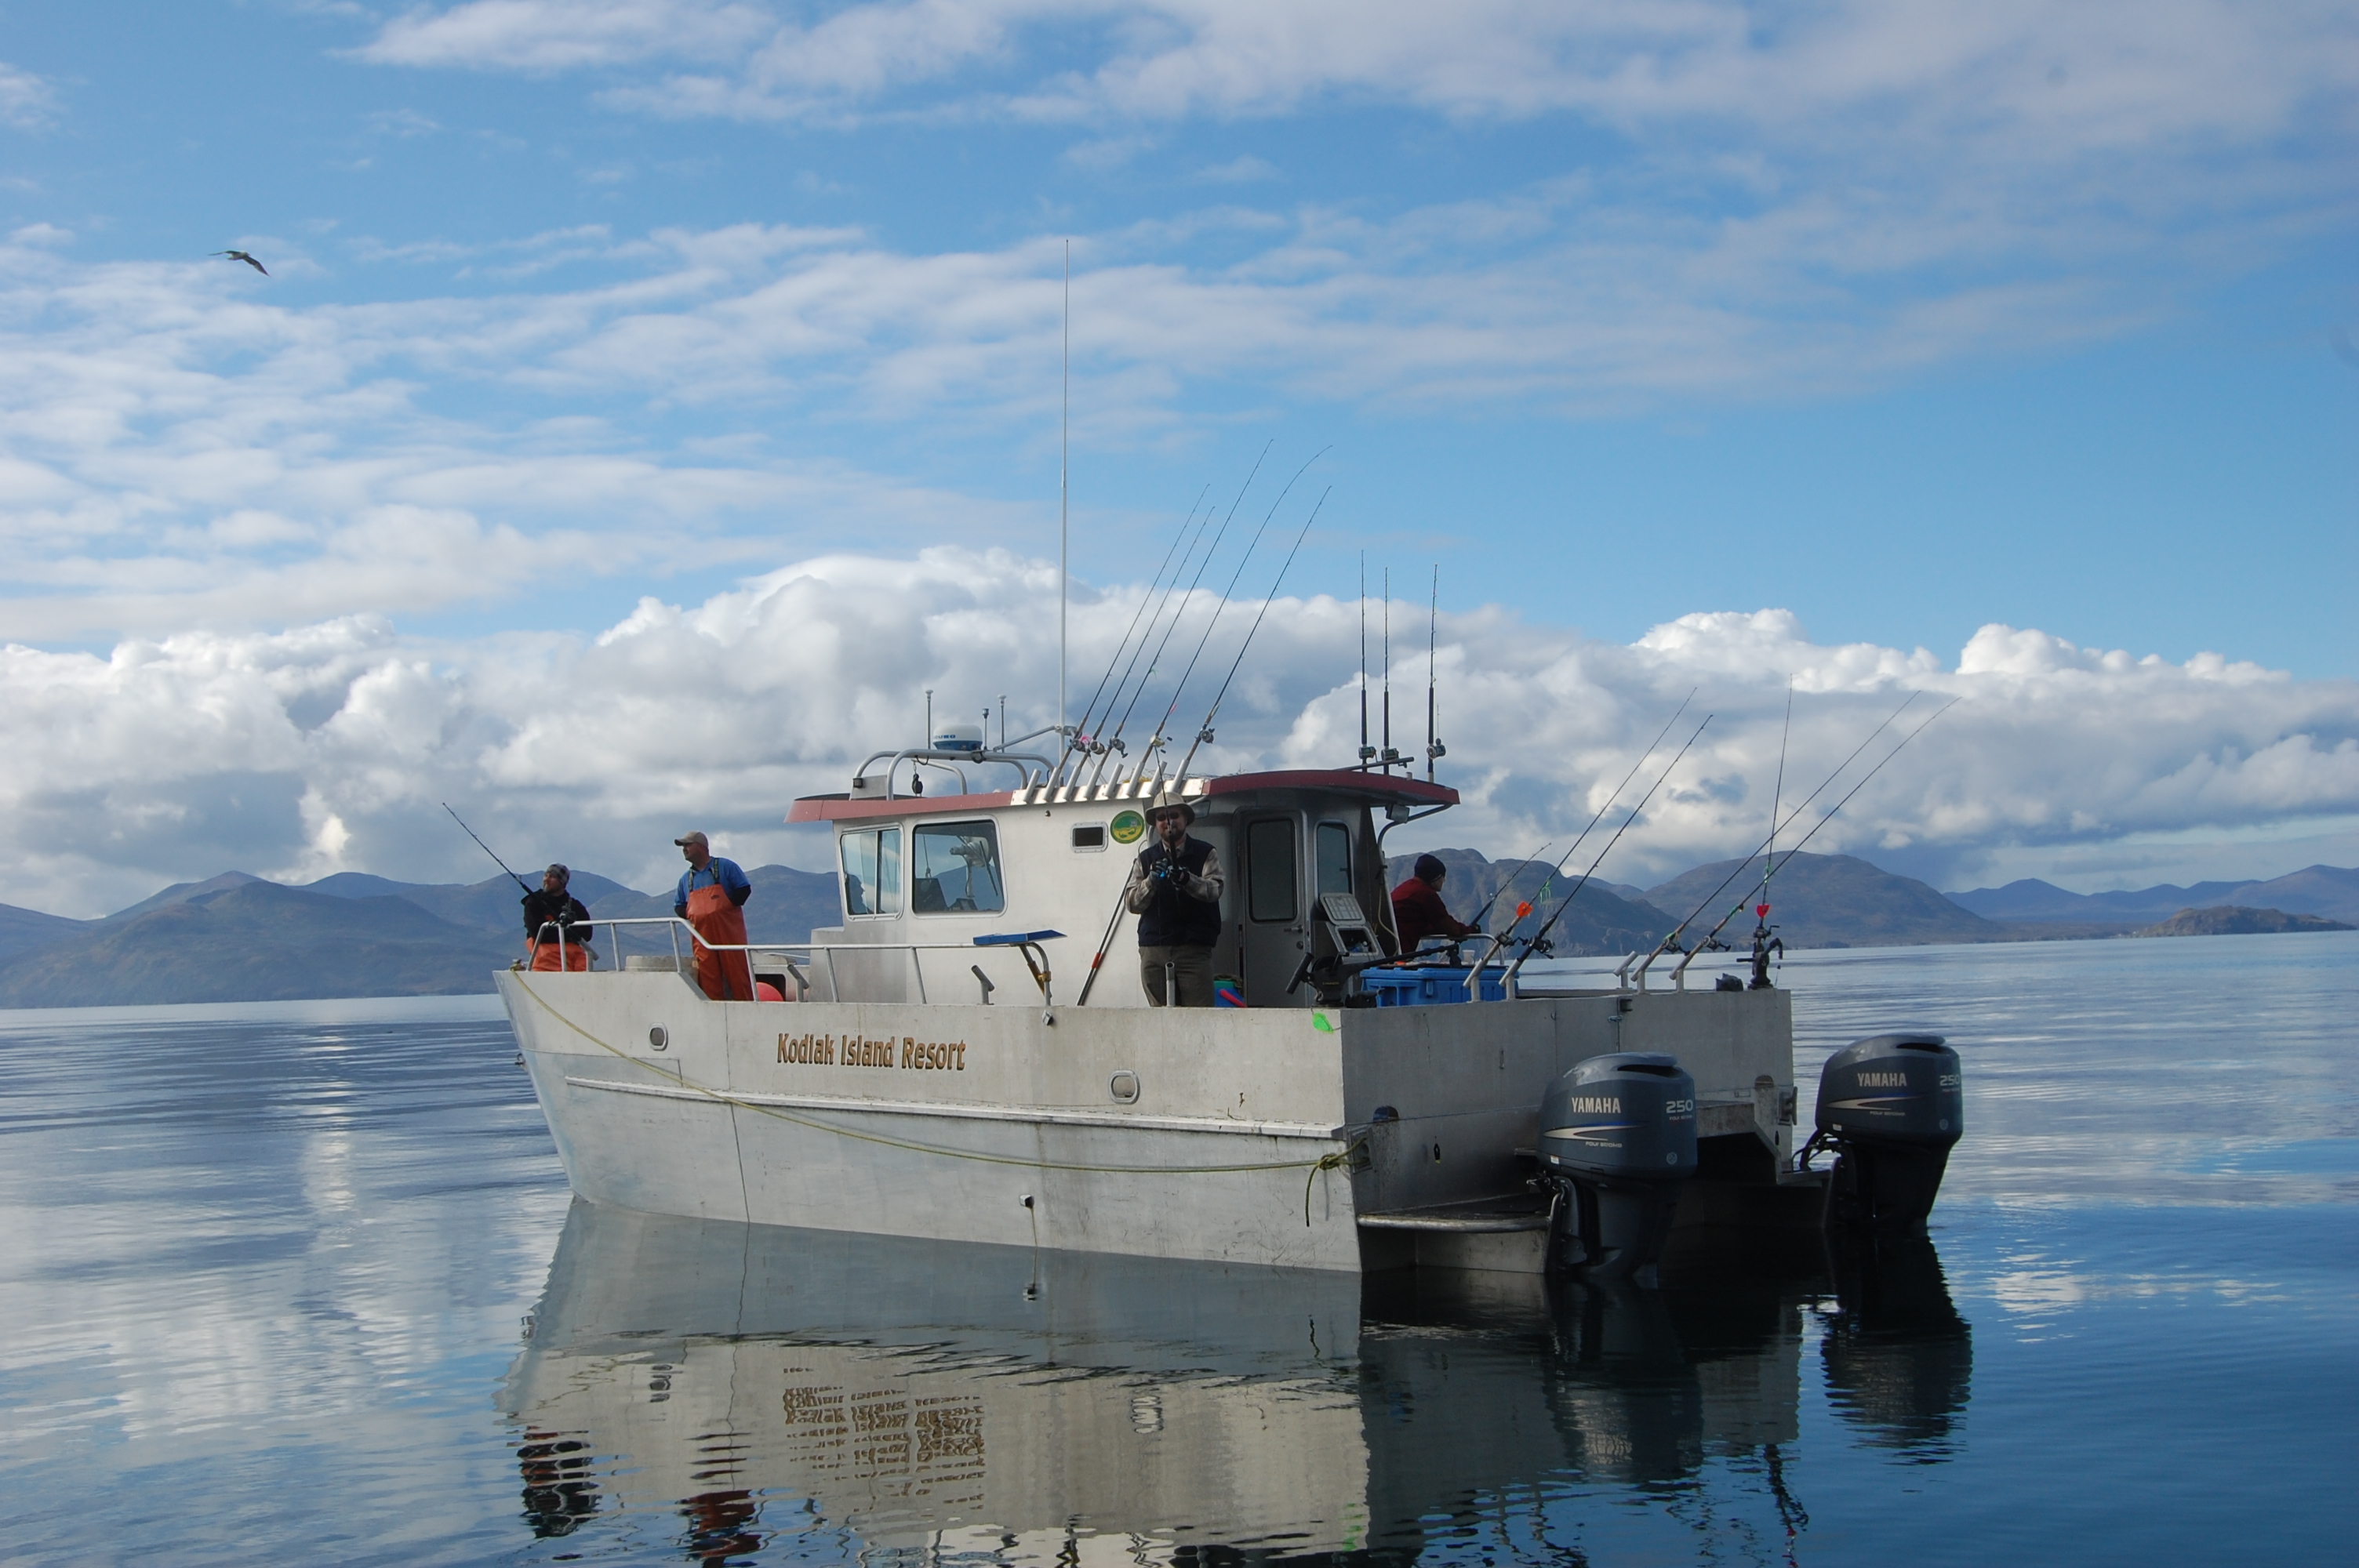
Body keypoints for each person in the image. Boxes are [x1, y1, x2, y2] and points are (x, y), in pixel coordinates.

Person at [1124, 794, 1225, 1007]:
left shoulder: (1206, 852)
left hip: (1194, 951)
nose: (1168, 821)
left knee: (1200, 1018)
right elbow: (1131, 904)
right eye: (1161, 817)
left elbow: (1215, 889)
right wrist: (1151, 882)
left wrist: (1188, 880)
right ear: (1156, 824)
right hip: (1153, 950)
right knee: (1160, 1019)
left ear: (1185, 819)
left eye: (1174, 815)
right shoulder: (1145, 859)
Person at [674, 832, 754, 1000]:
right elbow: (679, 906)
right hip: (702, 939)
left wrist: (722, 907)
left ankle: (747, 1011)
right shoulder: (685, 880)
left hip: (730, 935)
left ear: (701, 847)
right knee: (708, 977)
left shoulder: (725, 867)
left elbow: (743, 890)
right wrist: (697, 913)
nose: (684, 849)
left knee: (738, 974)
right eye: (683, 846)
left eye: (688, 845)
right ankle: (715, 1015)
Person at [1390, 852, 1479, 953]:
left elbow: (1424, 924)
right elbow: (1449, 926)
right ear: (1435, 877)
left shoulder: (1404, 889)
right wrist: (1470, 930)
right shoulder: (1425, 894)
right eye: (1442, 876)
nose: (1444, 880)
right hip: (1399, 953)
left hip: (1388, 950)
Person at [521, 864, 597, 971]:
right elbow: (537, 933)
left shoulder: (575, 906)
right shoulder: (534, 903)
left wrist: (559, 931)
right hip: (546, 962)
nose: (546, 880)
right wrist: (569, 933)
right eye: (546, 875)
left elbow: (587, 934)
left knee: (584, 971)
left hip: (575, 959)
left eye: (552, 877)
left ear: (562, 882)